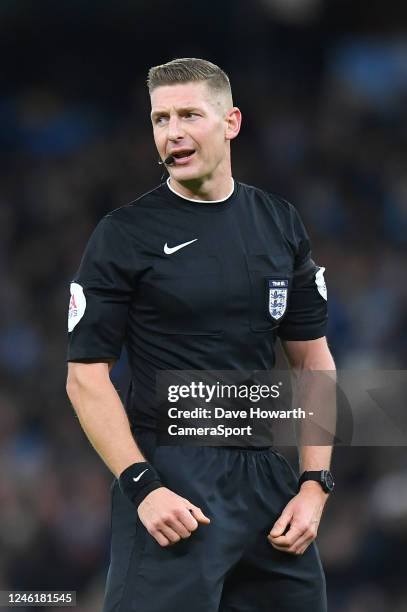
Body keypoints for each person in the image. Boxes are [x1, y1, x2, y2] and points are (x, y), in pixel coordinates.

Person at [66, 58, 336, 612]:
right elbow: (85, 378)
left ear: (231, 122)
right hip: (174, 482)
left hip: (268, 484)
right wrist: (141, 486)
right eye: (161, 119)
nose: (173, 132)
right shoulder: (125, 235)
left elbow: (313, 363)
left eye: (189, 114)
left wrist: (314, 485)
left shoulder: (279, 223)